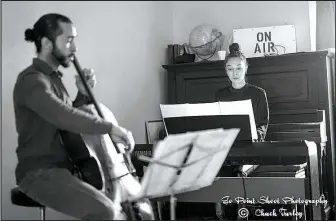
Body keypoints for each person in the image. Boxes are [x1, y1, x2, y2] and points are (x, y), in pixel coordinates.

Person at [13, 13, 152, 220]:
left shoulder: (54, 80)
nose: (74, 48)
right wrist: (110, 127)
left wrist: (82, 95)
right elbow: (63, 115)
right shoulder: (32, 81)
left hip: (66, 169)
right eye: (68, 40)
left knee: (121, 208)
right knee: (104, 210)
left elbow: (68, 127)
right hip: (39, 173)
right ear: (46, 43)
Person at [214, 43, 269, 220]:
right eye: (230, 69)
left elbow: (262, 125)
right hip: (227, 149)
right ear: (226, 71)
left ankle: (242, 215)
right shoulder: (220, 94)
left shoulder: (258, 93)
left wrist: (253, 137)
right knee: (218, 168)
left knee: (238, 170)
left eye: (239, 68)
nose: (235, 72)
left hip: (251, 149)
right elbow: (216, 123)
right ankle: (221, 214)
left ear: (246, 68)